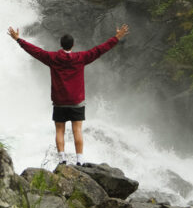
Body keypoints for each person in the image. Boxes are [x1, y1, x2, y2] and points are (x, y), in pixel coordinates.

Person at [8, 23, 130, 166]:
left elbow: (35, 51)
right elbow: (99, 50)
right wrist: (116, 37)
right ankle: (79, 159)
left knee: (60, 130)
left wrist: (18, 40)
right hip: (76, 101)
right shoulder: (81, 58)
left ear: (61, 45)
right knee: (77, 130)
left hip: (59, 102)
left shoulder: (52, 58)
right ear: (73, 45)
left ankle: (62, 159)